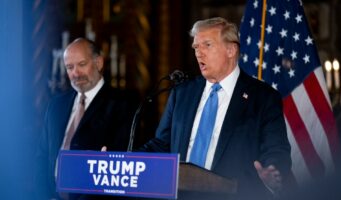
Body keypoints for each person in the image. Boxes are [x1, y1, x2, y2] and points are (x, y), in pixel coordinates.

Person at [139, 17, 292, 200]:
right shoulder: (182, 93)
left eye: (207, 45)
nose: (199, 53)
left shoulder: (263, 98)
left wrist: (271, 173)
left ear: (231, 50)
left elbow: (276, 151)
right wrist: (121, 163)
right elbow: (160, 145)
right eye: (196, 47)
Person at [35, 38, 136, 200]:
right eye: (69, 67)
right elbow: (42, 157)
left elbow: (122, 165)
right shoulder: (56, 105)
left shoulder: (124, 105)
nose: (75, 73)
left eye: (82, 65)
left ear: (98, 63)